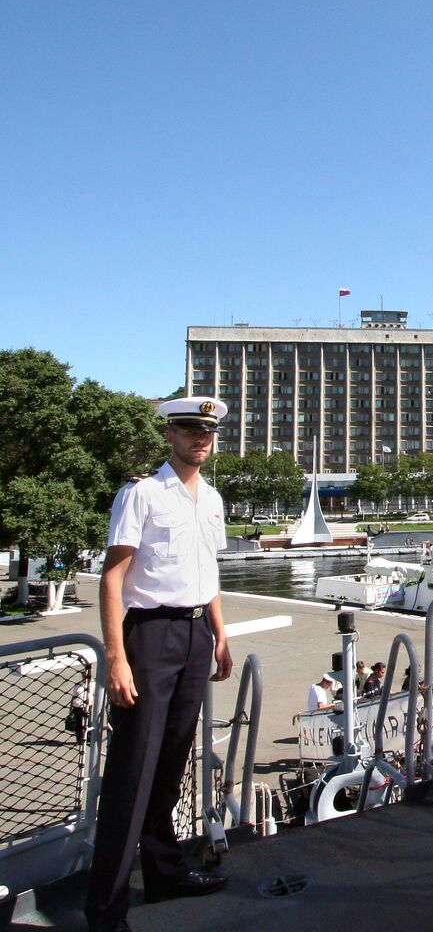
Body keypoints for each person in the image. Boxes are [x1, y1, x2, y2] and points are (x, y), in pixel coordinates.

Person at [84, 396, 233, 932]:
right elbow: (113, 577)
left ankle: (164, 872)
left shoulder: (211, 499)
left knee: (170, 764)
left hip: (196, 635)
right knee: (133, 771)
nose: (201, 438)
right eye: (190, 429)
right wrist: (116, 658)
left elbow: (208, 571)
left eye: (207, 431)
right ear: (170, 435)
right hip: (149, 636)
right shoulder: (141, 493)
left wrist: (220, 635)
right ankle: (106, 910)